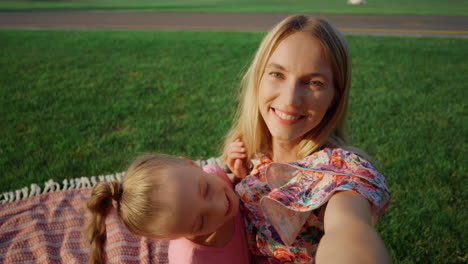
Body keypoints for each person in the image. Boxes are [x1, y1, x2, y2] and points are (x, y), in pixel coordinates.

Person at [223, 14, 392, 264]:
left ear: (335, 96)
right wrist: (228, 178)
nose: (291, 98)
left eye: (314, 82)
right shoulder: (248, 151)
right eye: (277, 74)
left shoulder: (339, 171)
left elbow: (348, 229)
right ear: (259, 77)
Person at [86, 154, 250, 264]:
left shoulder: (215, 174)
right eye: (201, 221)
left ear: (190, 163)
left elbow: (234, 183)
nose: (220, 206)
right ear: (174, 235)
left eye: (206, 189)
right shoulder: (193, 260)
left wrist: (239, 175)